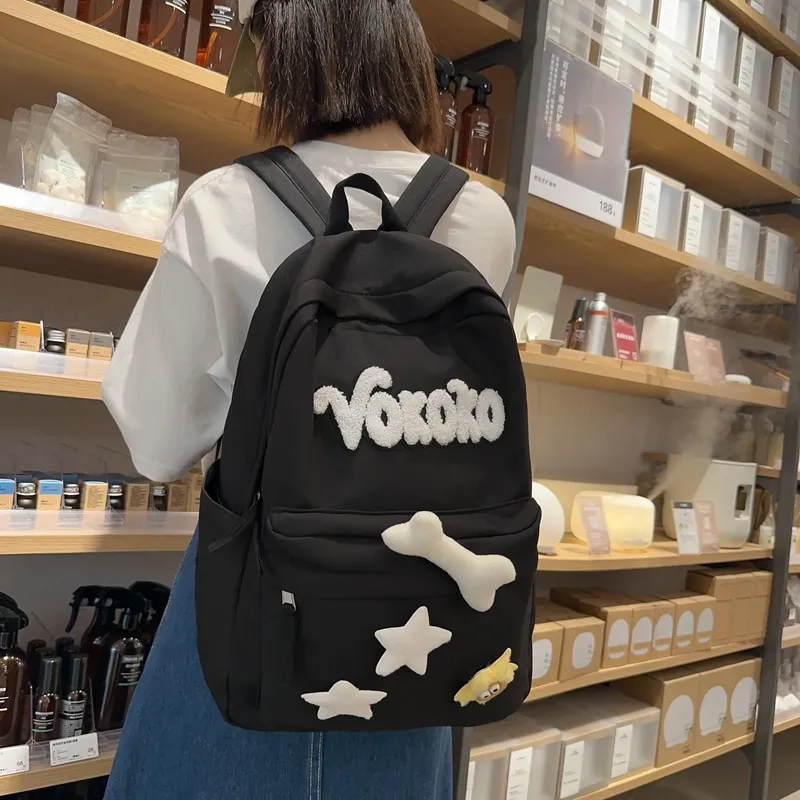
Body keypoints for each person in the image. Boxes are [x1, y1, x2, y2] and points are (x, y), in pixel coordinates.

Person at [102, 1, 516, 797]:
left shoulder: (226, 201)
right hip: (415, 612)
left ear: (285, 49)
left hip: (255, 590)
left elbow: (155, 442)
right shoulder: (483, 216)